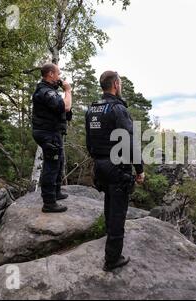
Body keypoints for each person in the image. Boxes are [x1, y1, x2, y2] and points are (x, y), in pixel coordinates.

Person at [85, 71, 145, 272]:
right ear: (116, 85)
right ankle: (112, 259)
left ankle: (109, 245)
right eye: (120, 84)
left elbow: (89, 141)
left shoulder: (93, 109)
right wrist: (140, 170)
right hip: (117, 167)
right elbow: (130, 142)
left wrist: (98, 161)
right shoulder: (118, 109)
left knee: (110, 204)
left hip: (100, 165)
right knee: (118, 212)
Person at [32, 63, 73, 213]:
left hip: (52, 132)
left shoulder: (49, 90)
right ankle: (49, 203)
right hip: (47, 133)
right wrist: (68, 90)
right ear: (50, 74)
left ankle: (56, 192)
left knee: (59, 160)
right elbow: (66, 107)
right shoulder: (45, 91)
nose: (59, 77)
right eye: (58, 74)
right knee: (52, 165)